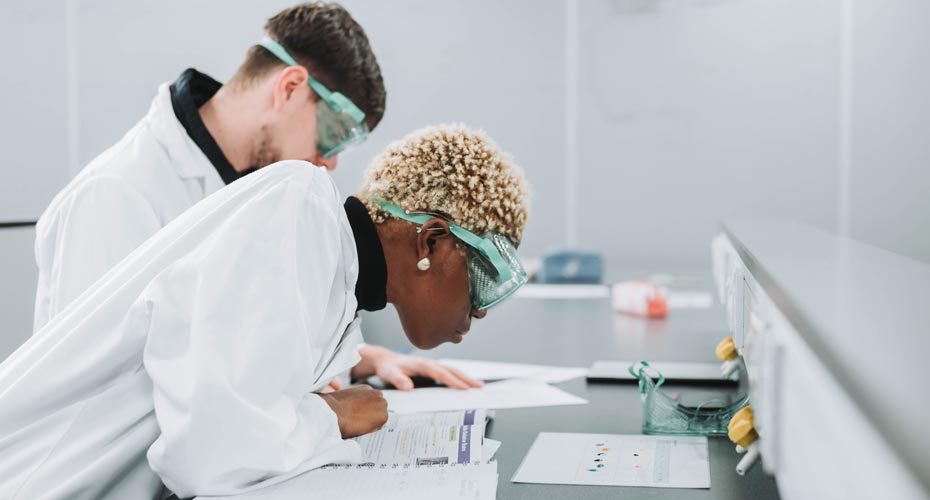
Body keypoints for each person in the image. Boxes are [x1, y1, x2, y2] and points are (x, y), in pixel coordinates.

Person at [0, 124, 530, 499]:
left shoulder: (328, 268)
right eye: (484, 282)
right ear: (433, 244)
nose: (478, 313)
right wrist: (331, 416)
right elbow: (209, 457)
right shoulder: (295, 207)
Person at [32, 2, 478, 392]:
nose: (329, 161)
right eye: (333, 134)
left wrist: (362, 360)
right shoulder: (118, 193)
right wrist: (314, 417)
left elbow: (247, 329)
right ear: (288, 87)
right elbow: (102, 390)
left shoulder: (254, 194)